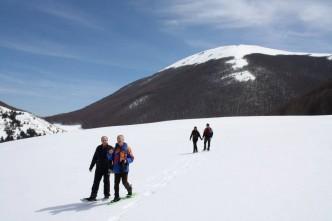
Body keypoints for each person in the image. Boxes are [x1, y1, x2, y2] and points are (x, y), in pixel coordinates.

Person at [83, 136, 114, 201]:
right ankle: (93, 196)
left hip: (107, 168)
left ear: (107, 140)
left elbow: (114, 159)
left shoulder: (111, 148)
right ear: (101, 141)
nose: (104, 141)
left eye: (105, 140)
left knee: (106, 182)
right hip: (99, 168)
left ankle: (107, 195)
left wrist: (112, 168)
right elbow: (95, 157)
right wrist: (91, 166)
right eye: (103, 140)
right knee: (96, 182)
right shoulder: (98, 147)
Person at [108, 135, 134, 202]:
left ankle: (129, 189)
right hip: (116, 169)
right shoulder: (115, 149)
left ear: (123, 140)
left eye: (120, 139)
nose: (119, 140)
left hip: (124, 168)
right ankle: (116, 197)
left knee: (124, 182)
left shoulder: (127, 148)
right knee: (116, 183)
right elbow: (110, 158)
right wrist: (109, 154)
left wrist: (127, 160)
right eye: (118, 139)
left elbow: (132, 158)